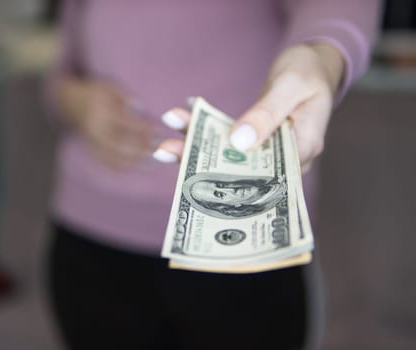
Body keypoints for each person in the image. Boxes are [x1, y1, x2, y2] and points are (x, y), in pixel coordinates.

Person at [45, 1, 381, 349]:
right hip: (89, 239)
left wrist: (318, 62)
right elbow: (62, 71)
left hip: (242, 248)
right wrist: (77, 102)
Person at [182, 173, 287, 218]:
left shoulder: (274, 179)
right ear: (231, 205)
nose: (231, 189)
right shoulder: (269, 206)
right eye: (220, 194)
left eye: (220, 185)